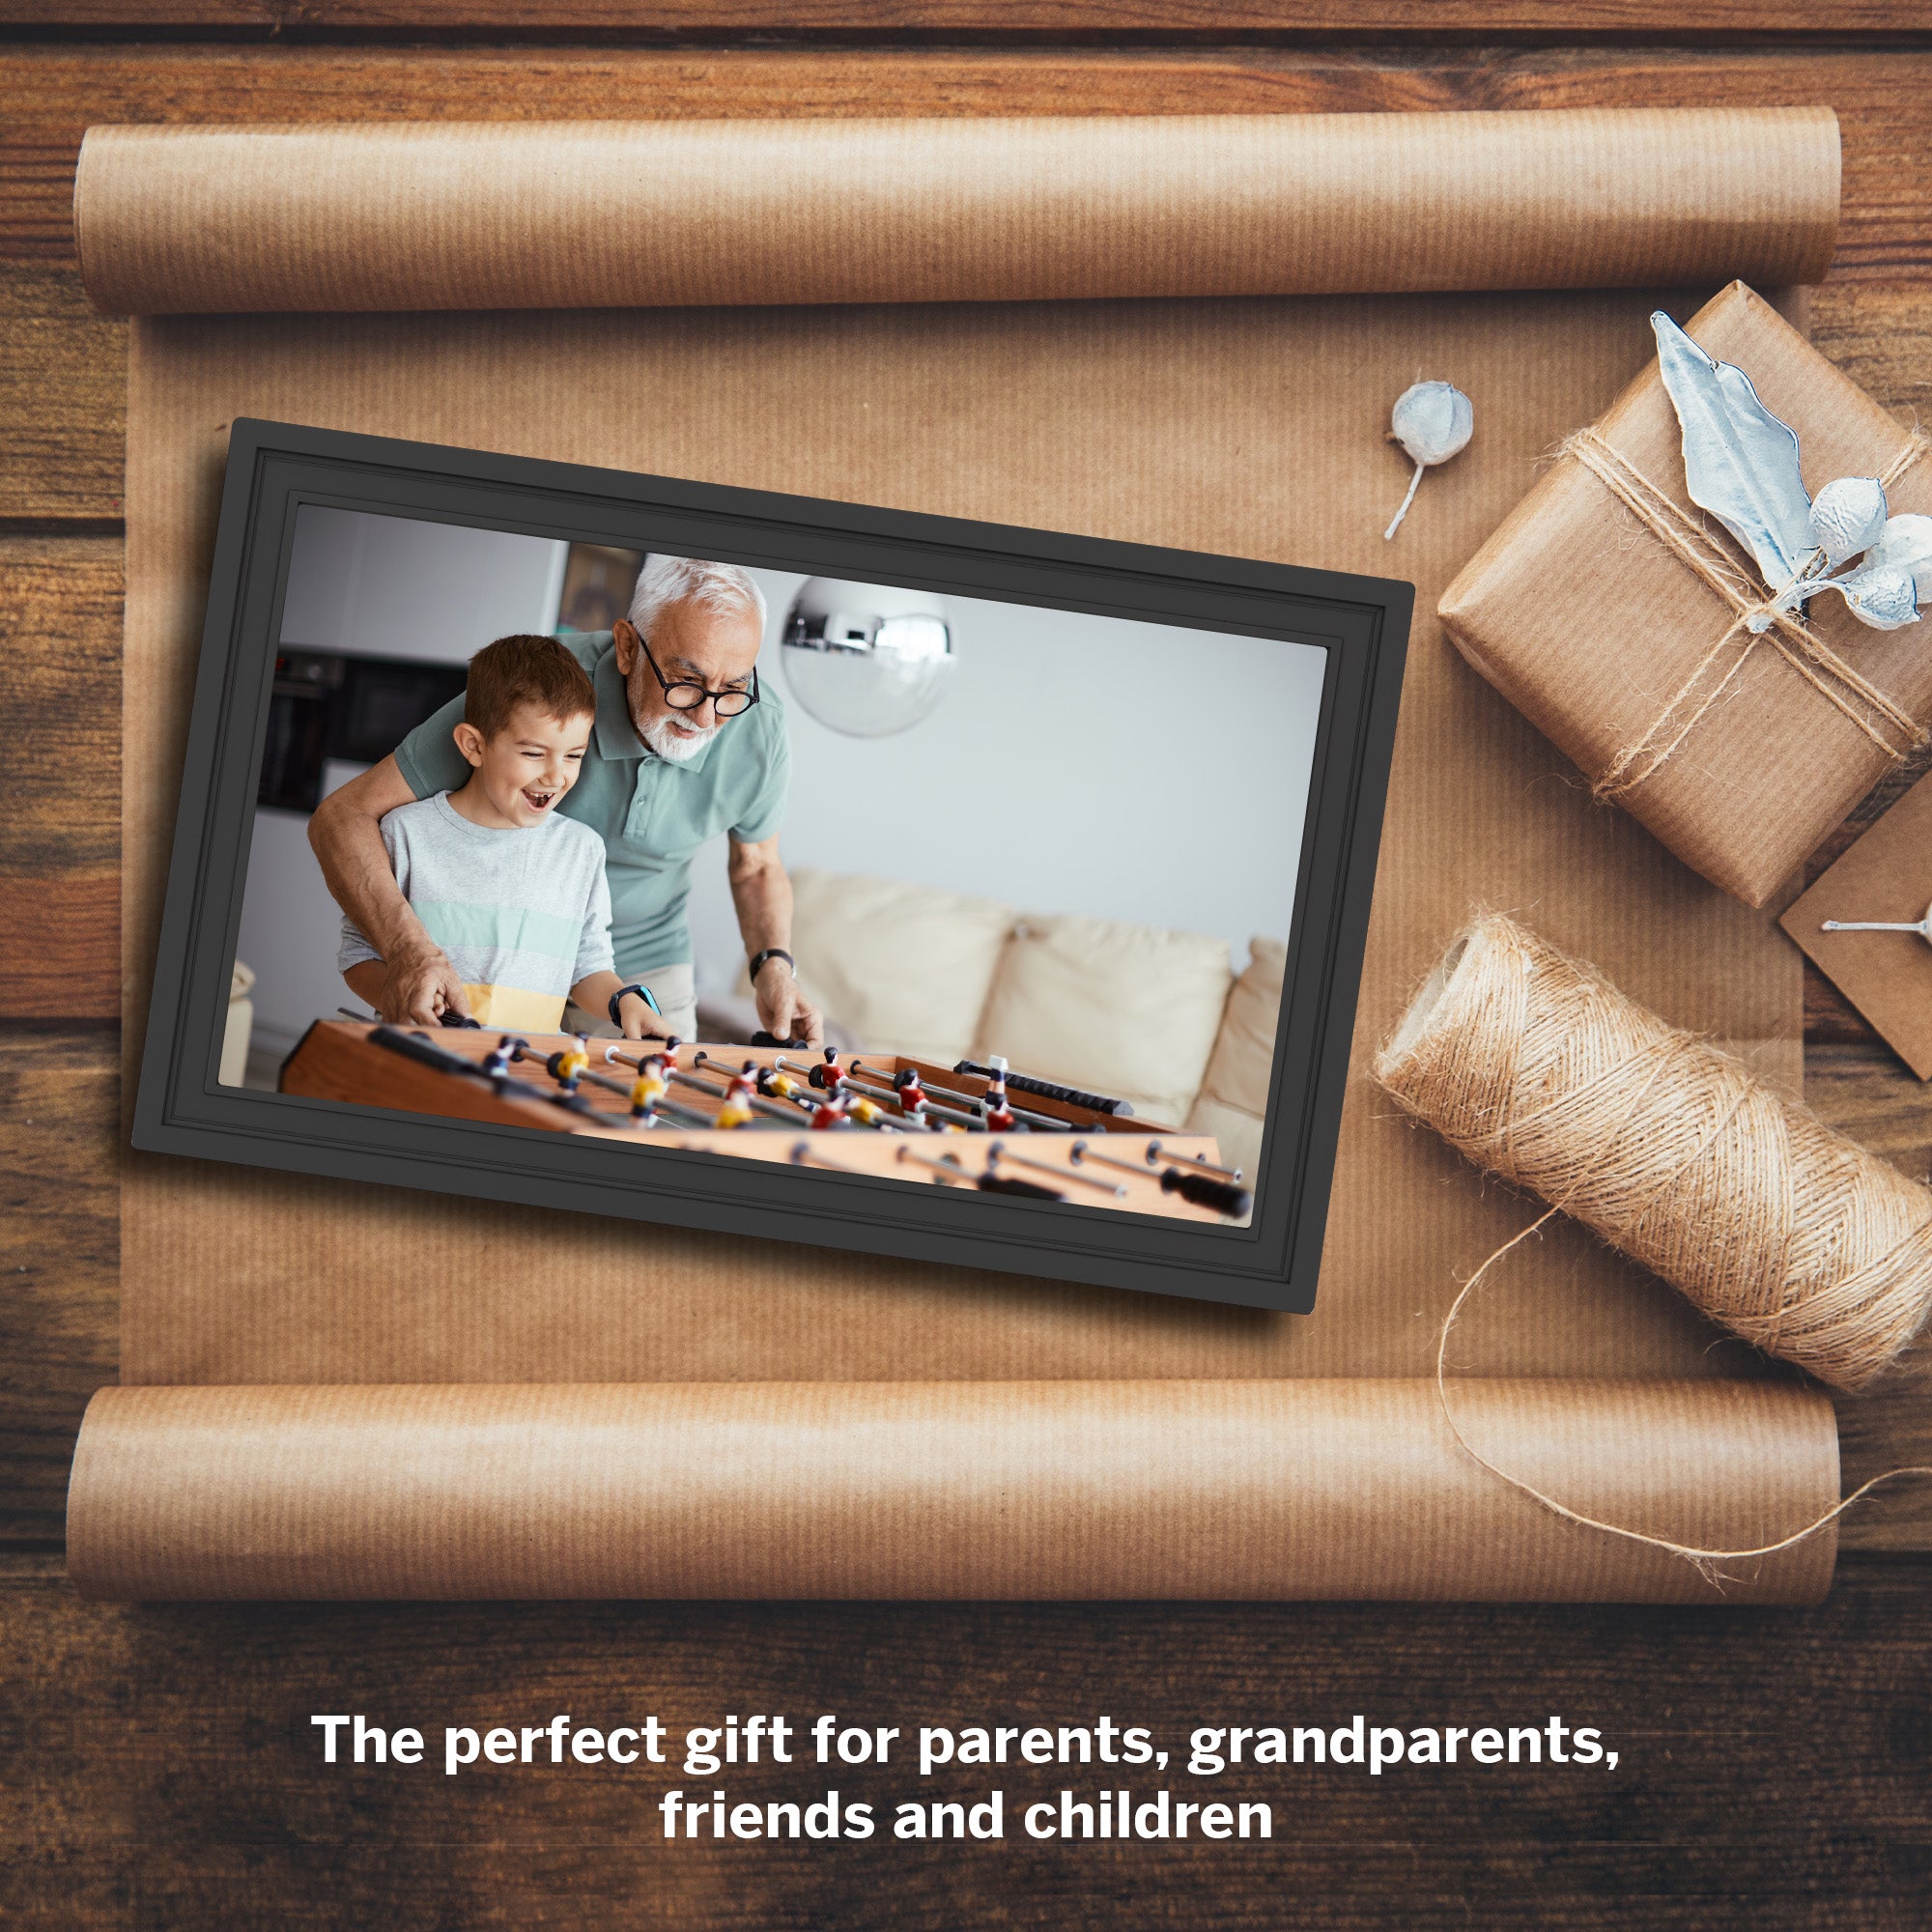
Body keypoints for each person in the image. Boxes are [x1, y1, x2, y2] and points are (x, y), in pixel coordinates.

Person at [312, 554, 824, 1047]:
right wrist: (409, 952)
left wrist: (773, 965)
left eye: (732, 689)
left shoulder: (759, 728)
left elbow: (756, 865)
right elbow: (343, 817)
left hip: (634, 960)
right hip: (482, 957)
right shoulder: (539, 693)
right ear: (626, 648)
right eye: (686, 682)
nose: (708, 718)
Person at [337, 635, 658, 1040]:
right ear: (474, 745)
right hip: (418, 1059)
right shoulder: (405, 834)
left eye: (573, 755)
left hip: (529, 1071)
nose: (556, 776)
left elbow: (588, 966)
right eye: (533, 753)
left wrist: (624, 1001)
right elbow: (357, 956)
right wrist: (406, 996)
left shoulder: (582, 851)